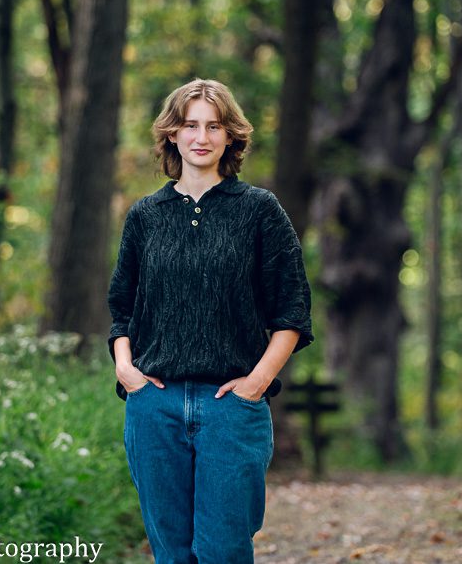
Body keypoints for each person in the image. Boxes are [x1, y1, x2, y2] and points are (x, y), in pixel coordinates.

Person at [107, 78, 314, 564]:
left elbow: (292, 310)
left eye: (214, 125)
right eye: (190, 124)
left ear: (230, 136)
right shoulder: (145, 216)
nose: (201, 136)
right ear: (172, 135)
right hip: (154, 407)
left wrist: (257, 383)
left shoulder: (259, 211)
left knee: (223, 551)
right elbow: (122, 309)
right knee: (172, 554)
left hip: (231, 409)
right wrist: (126, 371)